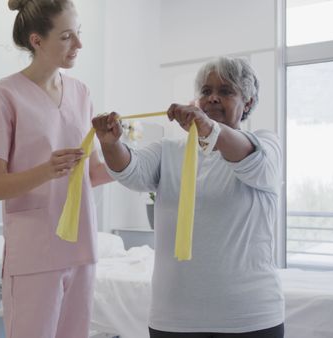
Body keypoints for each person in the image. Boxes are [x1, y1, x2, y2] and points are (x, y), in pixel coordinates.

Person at [92, 56, 284, 338]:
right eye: (206, 91)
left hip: (249, 317)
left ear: (249, 103)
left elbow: (248, 159)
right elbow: (131, 171)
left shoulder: (265, 145)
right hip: (174, 318)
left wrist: (209, 130)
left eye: (226, 91)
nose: (213, 98)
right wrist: (111, 145)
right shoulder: (169, 150)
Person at [0, 0, 112, 337]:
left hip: (81, 248)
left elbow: (92, 174)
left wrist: (124, 155)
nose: (78, 45)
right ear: (37, 40)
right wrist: (47, 170)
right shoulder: (3, 96)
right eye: (66, 37)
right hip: (35, 254)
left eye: (79, 35)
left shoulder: (81, 93)